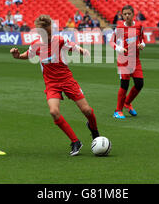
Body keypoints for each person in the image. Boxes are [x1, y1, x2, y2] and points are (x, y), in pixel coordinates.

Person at [10, 15, 100, 156]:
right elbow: (29, 54)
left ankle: (94, 131)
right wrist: (17, 56)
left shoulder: (60, 40)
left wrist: (83, 51)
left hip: (67, 80)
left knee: (87, 111)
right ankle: (75, 141)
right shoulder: (36, 44)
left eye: (49, 31)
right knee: (53, 112)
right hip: (51, 83)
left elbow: (73, 47)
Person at [109, 5, 145, 119]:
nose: (127, 16)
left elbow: (142, 40)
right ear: (122, 15)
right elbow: (111, 42)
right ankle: (117, 110)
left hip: (135, 60)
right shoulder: (119, 28)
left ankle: (127, 103)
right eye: (125, 14)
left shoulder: (139, 26)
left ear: (133, 14)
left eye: (129, 13)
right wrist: (119, 49)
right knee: (124, 85)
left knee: (139, 84)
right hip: (123, 60)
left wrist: (142, 45)